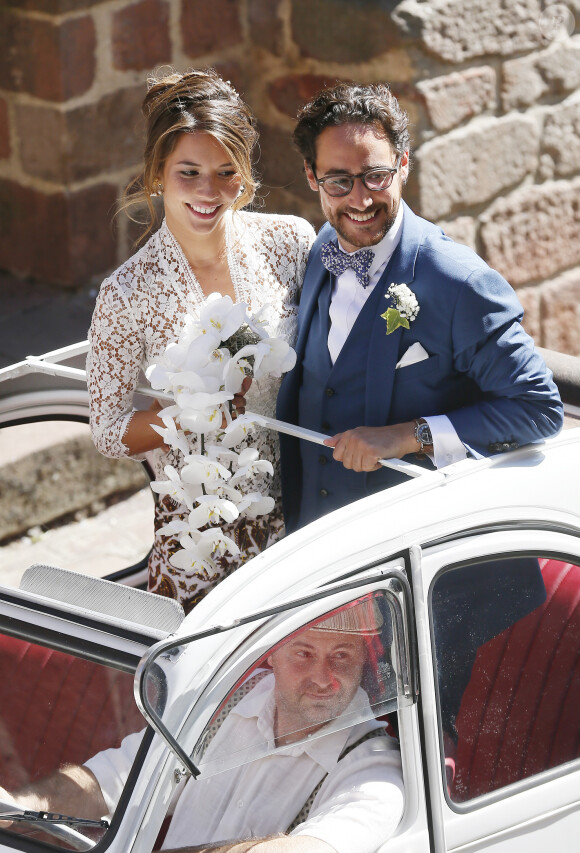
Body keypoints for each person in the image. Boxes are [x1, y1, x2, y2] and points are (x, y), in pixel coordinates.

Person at [275, 82, 563, 736]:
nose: (360, 198)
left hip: (436, 584)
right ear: (312, 178)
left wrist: (407, 435)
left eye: (376, 174)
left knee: (423, 748)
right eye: (339, 180)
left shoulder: (455, 279)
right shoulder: (322, 255)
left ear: (404, 164)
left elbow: (537, 407)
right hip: (332, 562)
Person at [87, 68, 315, 612]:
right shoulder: (126, 292)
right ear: (157, 175)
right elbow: (108, 432)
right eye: (189, 171)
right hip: (198, 539)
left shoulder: (290, 242)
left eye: (225, 172)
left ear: (246, 175)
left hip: (306, 519)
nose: (209, 192)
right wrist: (191, 413)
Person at [0, 600, 404, 853]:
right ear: (273, 654)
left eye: (342, 656)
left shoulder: (375, 770)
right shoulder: (226, 701)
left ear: (364, 661)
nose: (323, 677)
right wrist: (21, 809)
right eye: (304, 653)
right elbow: (118, 776)